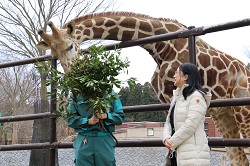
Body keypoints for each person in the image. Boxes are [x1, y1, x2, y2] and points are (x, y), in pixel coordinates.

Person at [162, 62, 211, 166]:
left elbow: (191, 124)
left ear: (185, 76)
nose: (174, 76)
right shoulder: (177, 97)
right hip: (177, 154)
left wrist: (172, 142)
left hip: (193, 156)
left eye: (176, 73)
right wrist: (166, 138)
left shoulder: (196, 96)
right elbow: (168, 122)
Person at [67, 91, 124, 166]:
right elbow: (70, 119)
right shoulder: (77, 95)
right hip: (84, 140)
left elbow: (120, 117)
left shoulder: (111, 94)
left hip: (104, 140)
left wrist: (106, 116)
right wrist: (87, 121)